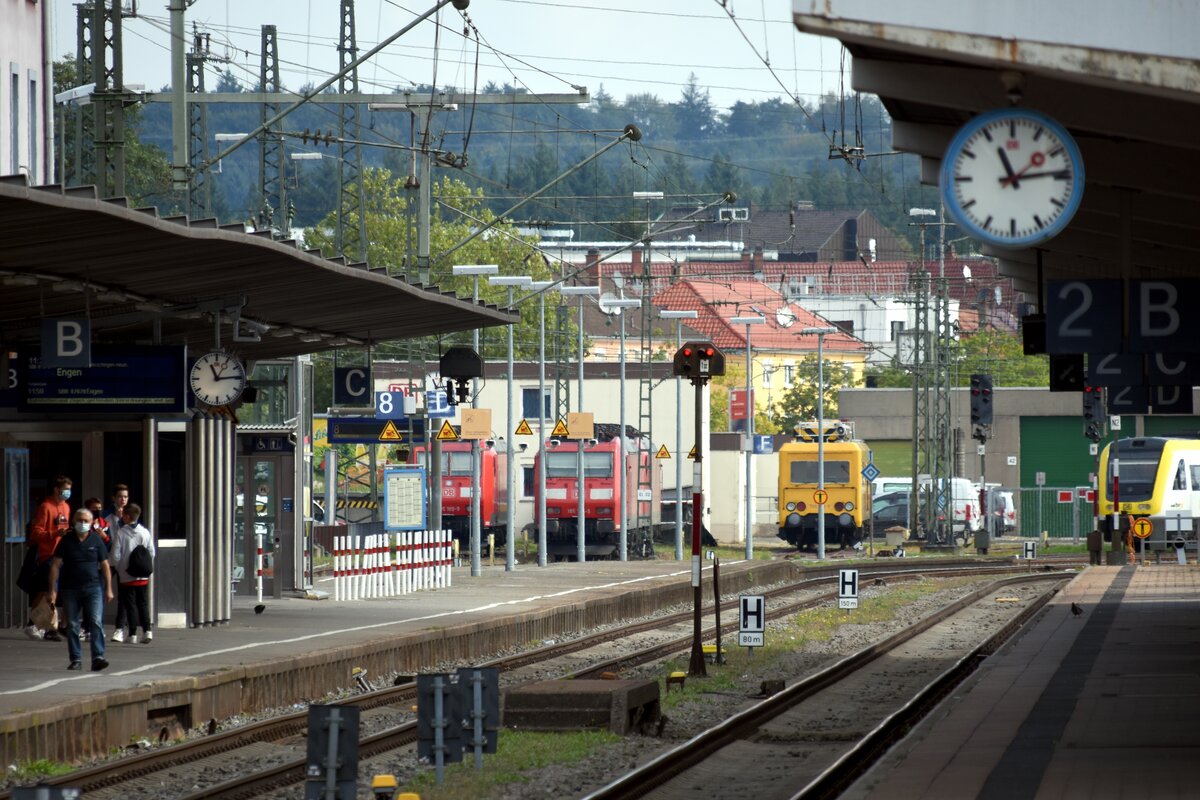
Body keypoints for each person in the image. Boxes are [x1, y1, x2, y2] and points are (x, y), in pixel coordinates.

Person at [47, 508, 113, 671]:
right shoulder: (66, 541)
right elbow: (55, 565)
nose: (82, 524)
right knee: (73, 625)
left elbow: (105, 564)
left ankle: (98, 656)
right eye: (79, 520)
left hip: (93, 587)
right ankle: (76, 658)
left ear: (91, 523)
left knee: (95, 621)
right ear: (74, 521)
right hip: (70, 588)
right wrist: (52, 590)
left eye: (86, 521)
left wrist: (109, 588)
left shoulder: (96, 541)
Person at [26, 476, 73, 641]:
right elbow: (36, 532)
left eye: (69, 490)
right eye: (65, 489)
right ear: (56, 489)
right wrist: (54, 534)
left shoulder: (66, 507)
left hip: (62, 555)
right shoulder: (46, 507)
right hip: (48, 554)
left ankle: (35, 623)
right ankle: (49, 628)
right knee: (50, 591)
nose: (67, 493)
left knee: (48, 591)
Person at [111, 503, 154, 644]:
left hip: (126, 574)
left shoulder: (121, 533)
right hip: (143, 574)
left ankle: (133, 633)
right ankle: (148, 631)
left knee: (129, 603)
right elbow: (151, 552)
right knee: (142, 602)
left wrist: (119, 567)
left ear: (127, 517)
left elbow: (115, 555)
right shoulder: (145, 532)